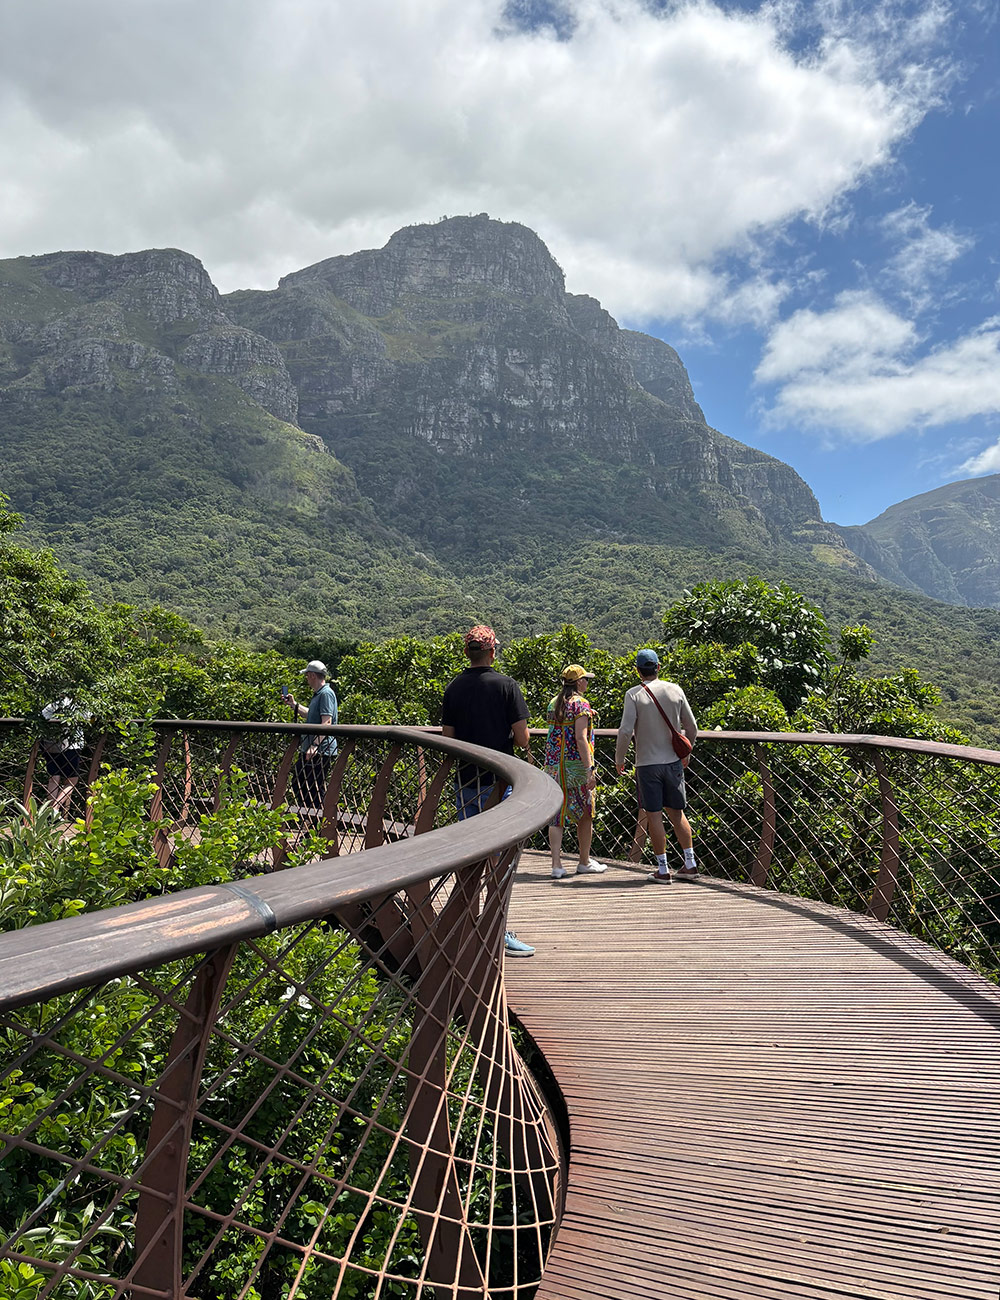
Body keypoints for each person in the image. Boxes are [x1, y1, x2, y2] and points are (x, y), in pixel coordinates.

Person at [440, 624, 536, 957]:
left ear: (468, 653)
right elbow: (522, 738)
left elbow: (449, 739)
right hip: (500, 783)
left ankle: (464, 921)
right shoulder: (507, 686)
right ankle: (497, 927)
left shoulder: (453, 688)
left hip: (465, 780)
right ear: (493, 651)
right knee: (500, 857)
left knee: (469, 851)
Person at [615, 648, 698, 883]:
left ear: (637, 670)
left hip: (647, 765)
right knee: (677, 813)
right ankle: (689, 864)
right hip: (673, 762)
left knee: (654, 815)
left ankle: (663, 869)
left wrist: (619, 759)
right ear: (658, 667)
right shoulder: (675, 690)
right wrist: (686, 752)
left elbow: (625, 731)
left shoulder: (634, 694)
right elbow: (691, 728)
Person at [544, 664, 607, 880]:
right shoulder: (581, 704)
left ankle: (556, 865)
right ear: (579, 682)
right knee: (585, 811)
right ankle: (584, 861)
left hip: (553, 766)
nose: (587, 683)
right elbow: (580, 738)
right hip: (575, 766)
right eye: (585, 679)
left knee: (557, 815)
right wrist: (590, 769)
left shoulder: (554, 703)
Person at [285, 660, 338, 811]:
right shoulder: (319, 694)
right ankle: (313, 822)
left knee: (312, 788)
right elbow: (312, 715)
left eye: (307, 675)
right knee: (303, 783)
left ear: (313, 675)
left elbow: (326, 722)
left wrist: (314, 745)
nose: (307, 679)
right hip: (315, 748)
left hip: (320, 750)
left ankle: (317, 824)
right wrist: (294, 705)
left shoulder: (326, 694)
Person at [40, 695, 89, 816]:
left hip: (51, 746)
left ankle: (49, 811)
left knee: (54, 777)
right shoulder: (79, 704)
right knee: (72, 780)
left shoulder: (55, 704)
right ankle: (55, 808)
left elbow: (43, 715)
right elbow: (88, 717)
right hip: (71, 746)